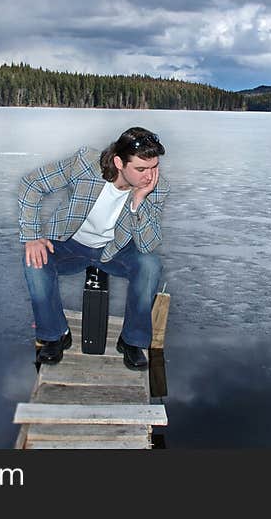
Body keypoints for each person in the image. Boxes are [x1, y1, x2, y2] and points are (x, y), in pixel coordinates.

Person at [18, 127, 168, 369]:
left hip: (114, 251)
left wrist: (139, 201)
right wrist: (32, 236)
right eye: (141, 169)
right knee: (34, 261)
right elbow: (32, 184)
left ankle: (132, 341)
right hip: (71, 244)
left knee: (150, 264)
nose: (149, 176)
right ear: (119, 162)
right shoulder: (85, 164)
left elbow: (147, 244)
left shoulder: (156, 188)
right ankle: (55, 335)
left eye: (154, 167)